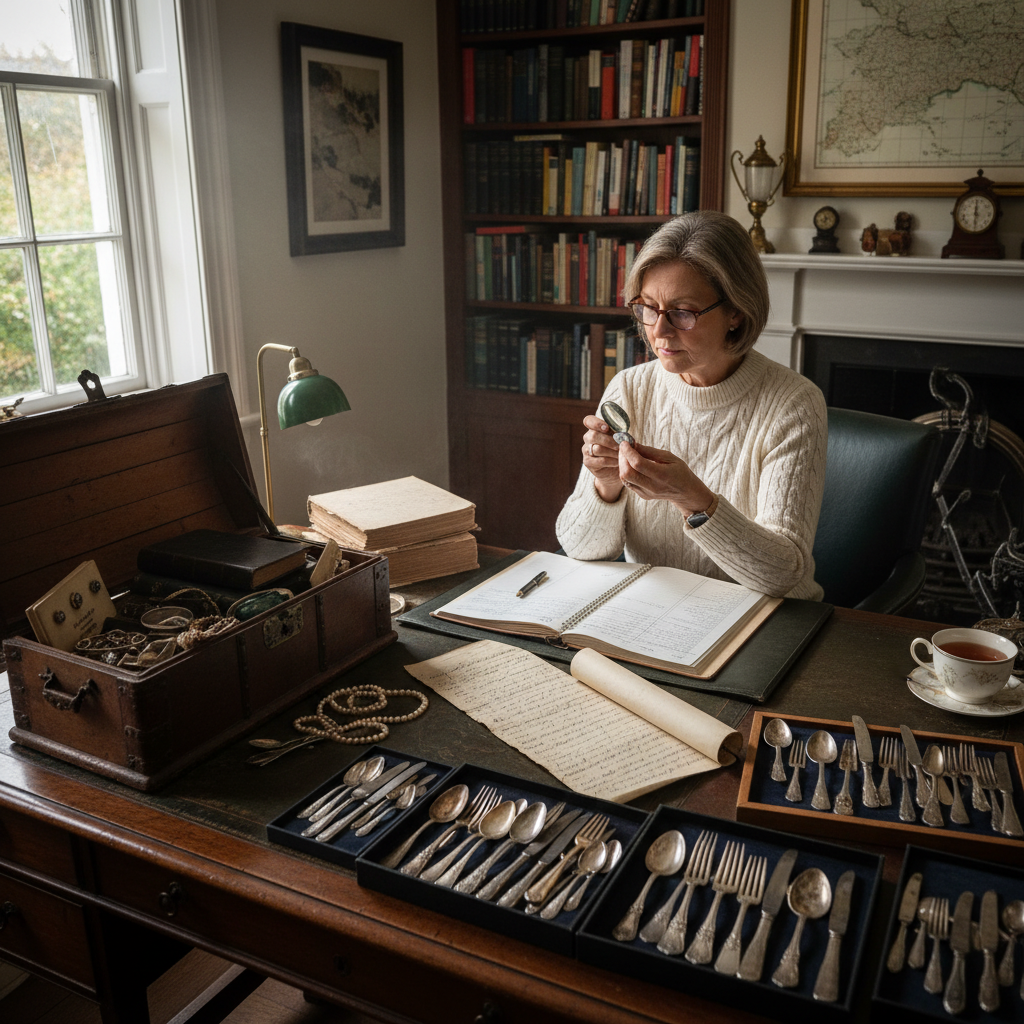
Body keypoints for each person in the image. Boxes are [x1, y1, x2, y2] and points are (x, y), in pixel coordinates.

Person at [555, 210, 827, 599]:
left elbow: (783, 574)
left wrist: (692, 498)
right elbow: (579, 547)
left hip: (766, 622)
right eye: (649, 307)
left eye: (682, 312)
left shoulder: (793, 404)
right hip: (659, 615)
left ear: (736, 311)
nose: (658, 332)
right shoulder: (630, 388)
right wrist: (607, 485)